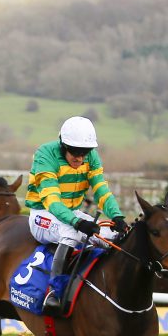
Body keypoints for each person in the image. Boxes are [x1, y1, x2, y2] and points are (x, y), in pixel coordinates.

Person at [25, 116, 128, 316]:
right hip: (42, 214)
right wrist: (77, 222)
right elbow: (52, 201)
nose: (80, 158)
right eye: (75, 152)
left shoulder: (92, 157)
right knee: (71, 232)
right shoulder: (45, 154)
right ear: (63, 144)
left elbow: (101, 190)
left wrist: (117, 217)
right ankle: (54, 293)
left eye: (85, 153)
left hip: (72, 213)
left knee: (112, 237)